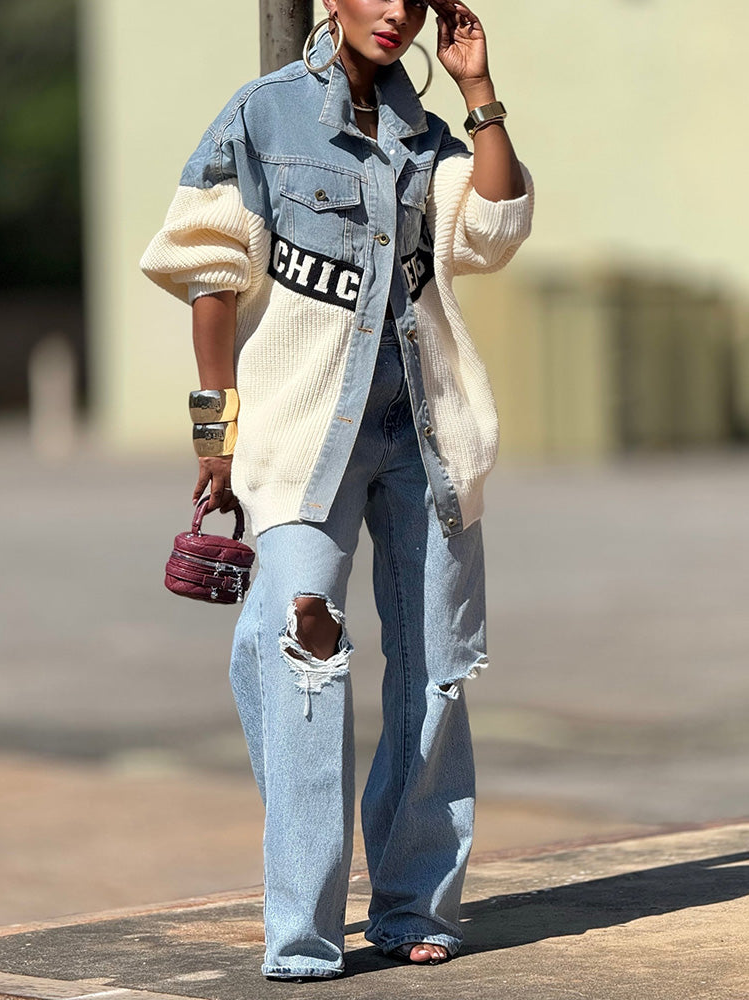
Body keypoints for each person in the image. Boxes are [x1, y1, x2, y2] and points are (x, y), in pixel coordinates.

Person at [140, 0, 533, 981]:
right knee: (303, 654)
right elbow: (210, 274)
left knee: (437, 671)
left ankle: (412, 904)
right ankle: (304, 930)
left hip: (427, 438)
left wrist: (480, 91)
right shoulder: (263, 114)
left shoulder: (427, 133)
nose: (395, 11)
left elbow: (493, 230)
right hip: (304, 438)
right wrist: (214, 430)